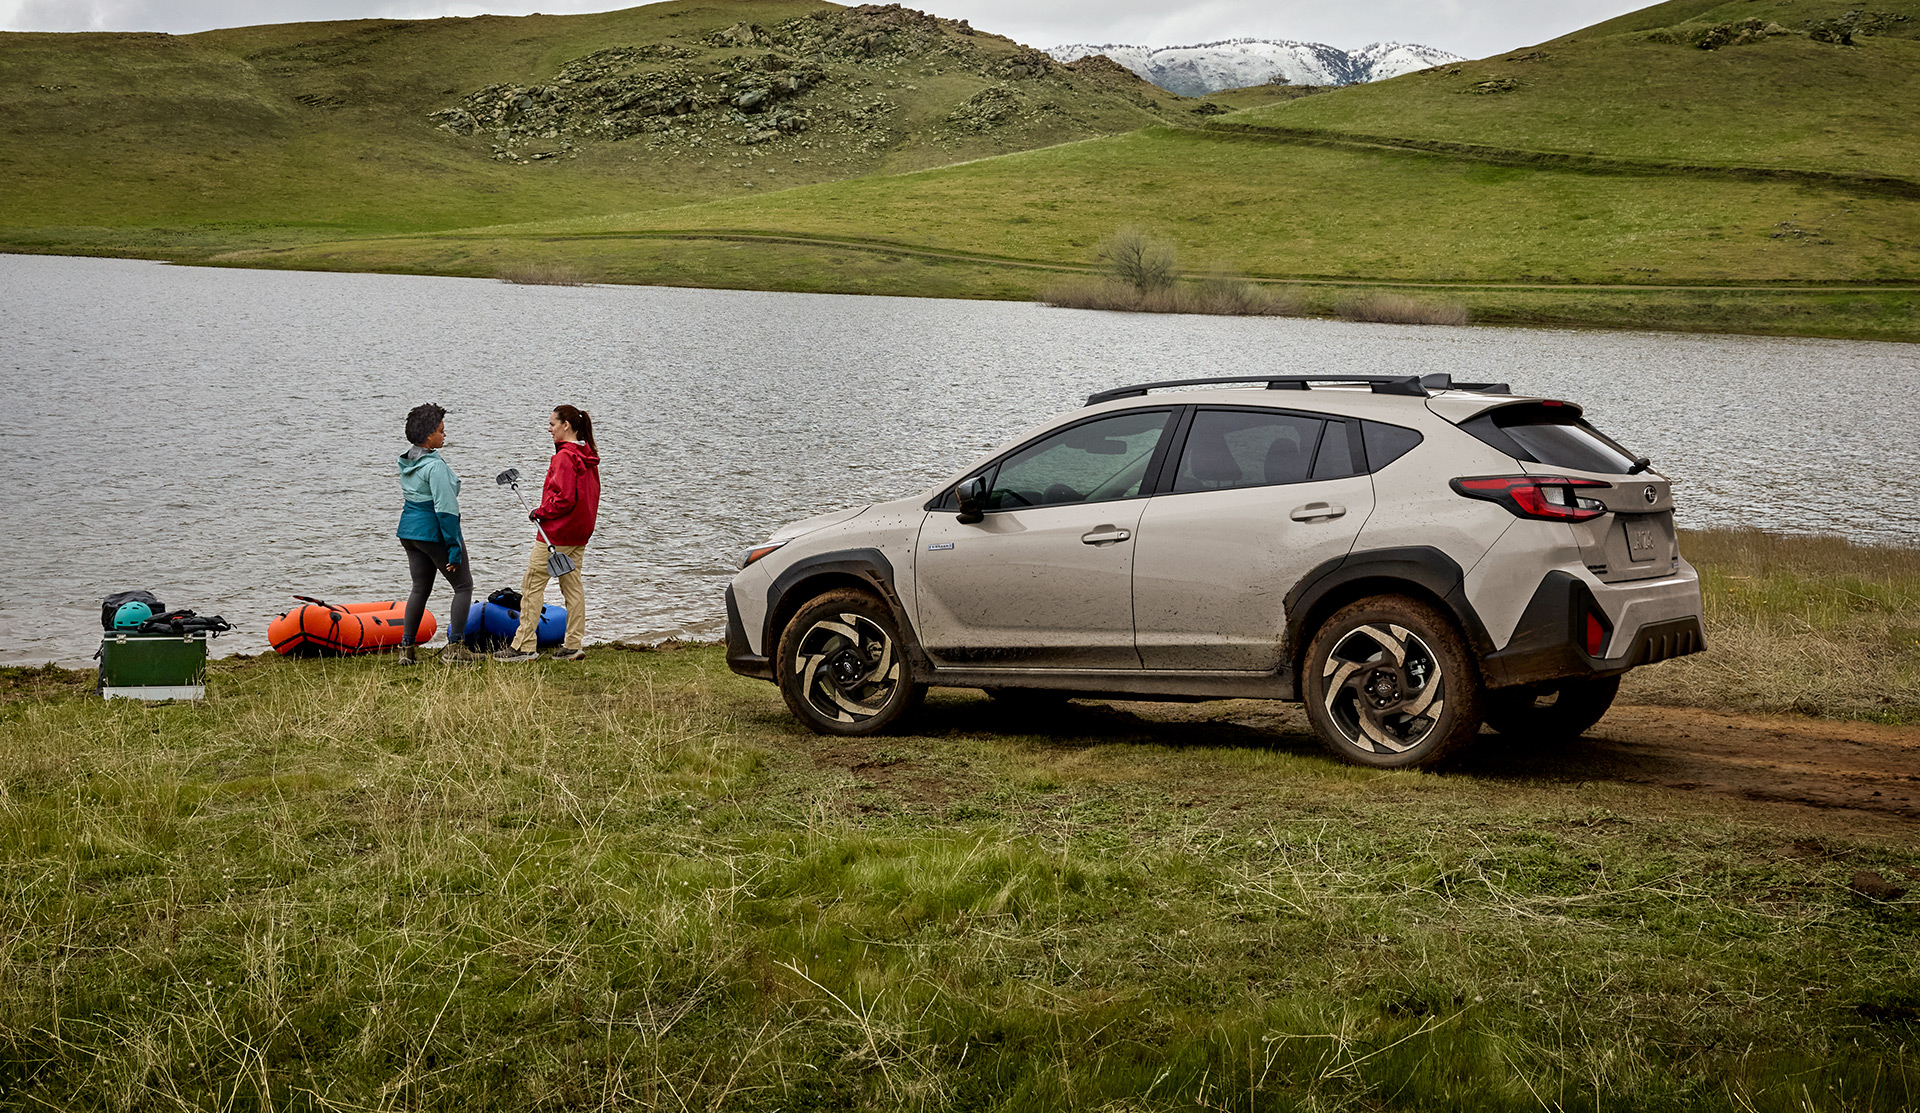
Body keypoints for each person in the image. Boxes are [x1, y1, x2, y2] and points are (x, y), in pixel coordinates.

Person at [495, 405, 600, 662]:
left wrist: (541, 512)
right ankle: (573, 644)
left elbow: (564, 498)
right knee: (572, 586)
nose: (549, 428)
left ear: (566, 425)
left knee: (531, 585)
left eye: (552, 423)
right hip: (578, 534)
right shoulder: (588, 455)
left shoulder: (565, 457)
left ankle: (523, 646)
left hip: (557, 535)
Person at [396, 403, 479, 665]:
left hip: (409, 532)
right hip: (432, 532)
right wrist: (453, 549)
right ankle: (456, 649)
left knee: (420, 588)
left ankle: (406, 650)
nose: (445, 435)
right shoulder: (435, 468)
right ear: (429, 435)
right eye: (442, 431)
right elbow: (446, 511)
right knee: (464, 586)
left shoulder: (407, 460)